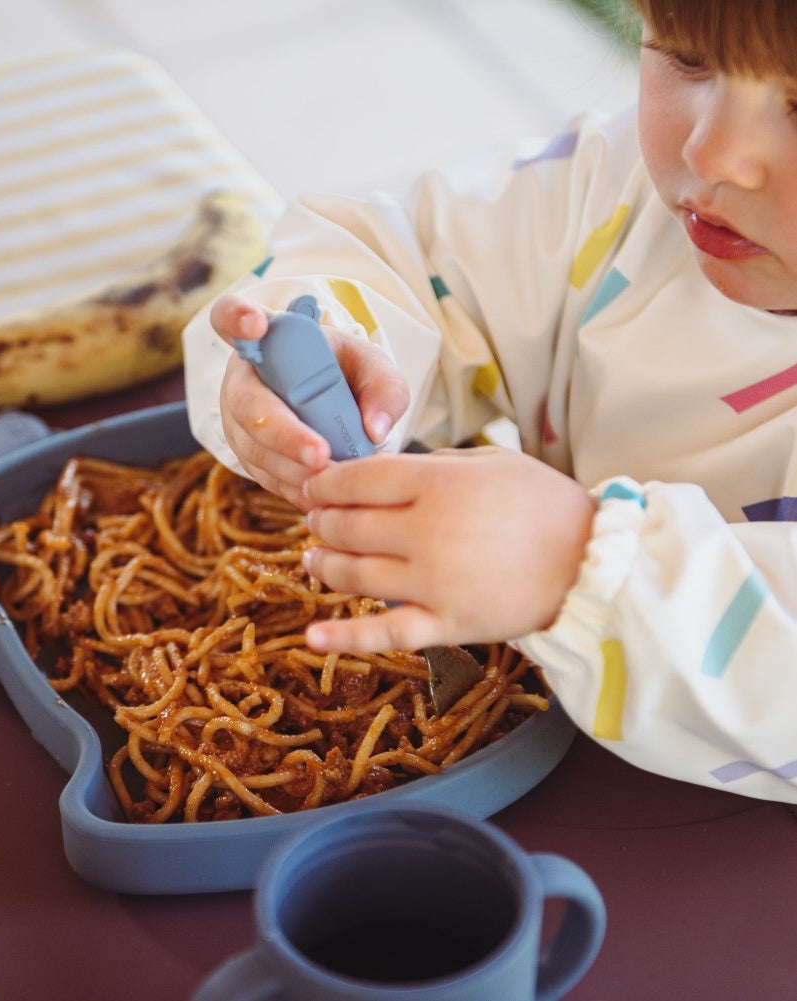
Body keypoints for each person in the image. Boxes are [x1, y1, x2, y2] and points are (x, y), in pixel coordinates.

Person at [182, 0, 797, 803]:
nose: (709, 152)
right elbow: (406, 257)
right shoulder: (611, 196)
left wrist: (581, 566)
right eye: (687, 58)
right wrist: (335, 336)